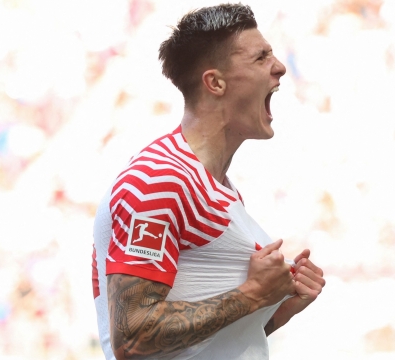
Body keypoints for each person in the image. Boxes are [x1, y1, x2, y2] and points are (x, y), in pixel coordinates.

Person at [91, 4, 326, 359]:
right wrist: (254, 294)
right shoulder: (160, 178)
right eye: (261, 58)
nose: (279, 67)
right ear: (215, 82)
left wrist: (279, 307)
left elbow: (207, 341)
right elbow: (133, 335)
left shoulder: (219, 188)